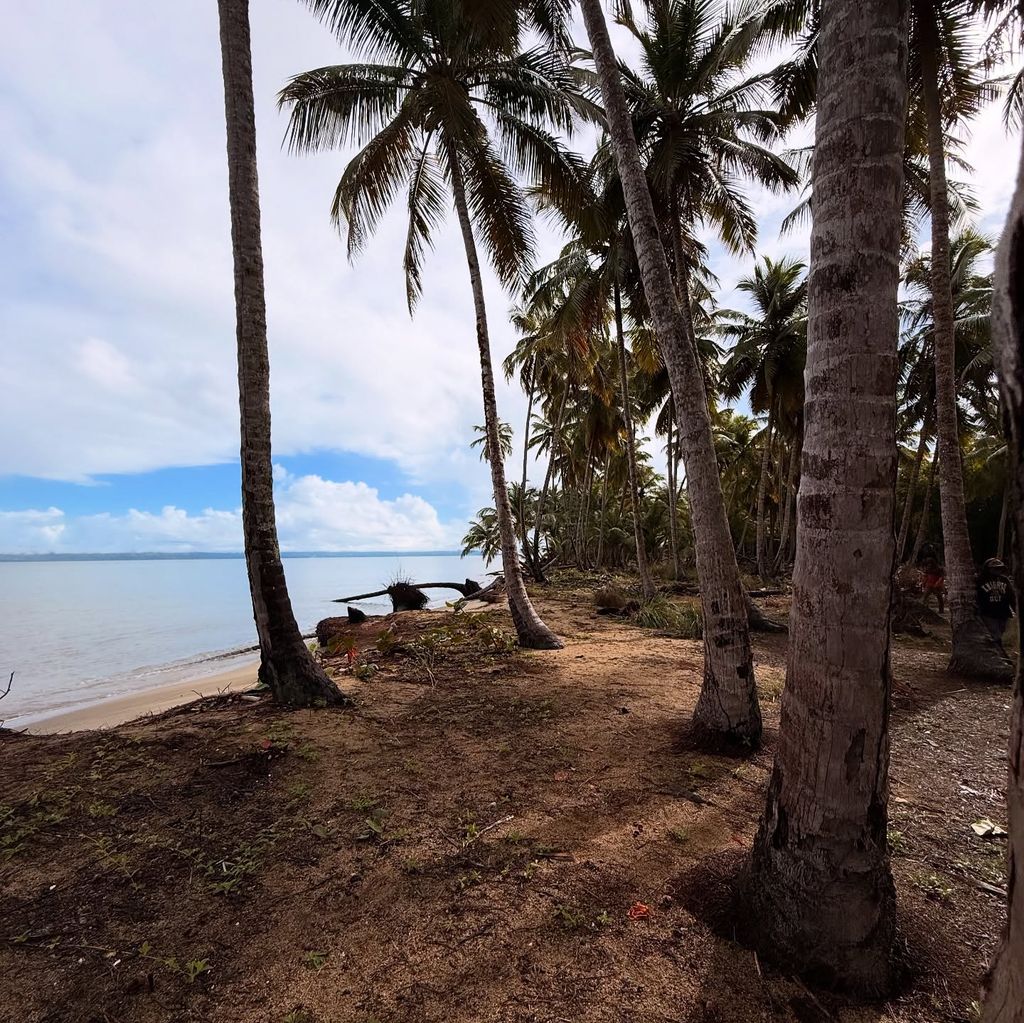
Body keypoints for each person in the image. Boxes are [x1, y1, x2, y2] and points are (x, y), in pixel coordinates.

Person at [976, 557, 1016, 644]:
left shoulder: (1004, 580)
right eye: (995, 568)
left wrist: (1015, 609)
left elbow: (1011, 596)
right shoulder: (980, 580)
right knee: (995, 634)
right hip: (988, 613)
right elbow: (976, 596)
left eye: (999, 568)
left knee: (1000, 631)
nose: (997, 570)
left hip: (1003, 612)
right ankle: (997, 651)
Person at [918, 545, 946, 615]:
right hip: (930, 583)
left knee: (938, 597)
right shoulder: (930, 566)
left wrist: (938, 583)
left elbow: (941, 577)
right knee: (925, 597)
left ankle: (941, 610)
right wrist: (923, 583)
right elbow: (926, 575)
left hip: (935, 584)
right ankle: (922, 609)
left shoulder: (937, 568)